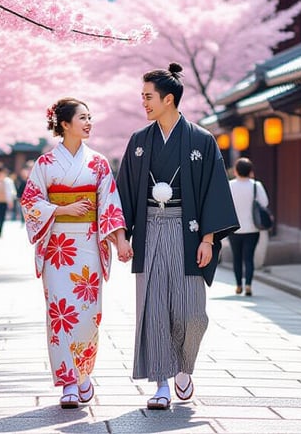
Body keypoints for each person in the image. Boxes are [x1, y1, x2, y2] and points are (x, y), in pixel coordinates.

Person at [114, 62, 238, 410]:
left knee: (192, 314)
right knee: (153, 309)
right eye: (142, 97)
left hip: (189, 231)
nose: (144, 103)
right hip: (151, 228)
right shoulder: (139, 141)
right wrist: (122, 237)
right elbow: (122, 193)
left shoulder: (201, 140)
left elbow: (215, 190)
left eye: (148, 97)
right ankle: (161, 384)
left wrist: (209, 240)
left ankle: (185, 368)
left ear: (169, 99)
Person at [21, 97, 130, 409]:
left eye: (90, 117)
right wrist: (64, 208)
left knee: (87, 314)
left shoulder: (98, 163)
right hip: (57, 247)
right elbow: (30, 202)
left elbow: (110, 205)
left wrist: (120, 240)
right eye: (82, 118)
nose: (88, 123)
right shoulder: (44, 165)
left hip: (89, 245)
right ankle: (68, 381)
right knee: (59, 313)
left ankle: (84, 374)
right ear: (64, 124)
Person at [228, 157, 269, 297]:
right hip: (252, 228)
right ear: (250, 171)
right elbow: (264, 203)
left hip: (234, 228)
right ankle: (249, 285)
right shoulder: (256, 185)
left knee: (237, 257)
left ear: (235, 171)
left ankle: (238, 285)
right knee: (248, 258)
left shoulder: (230, 185)